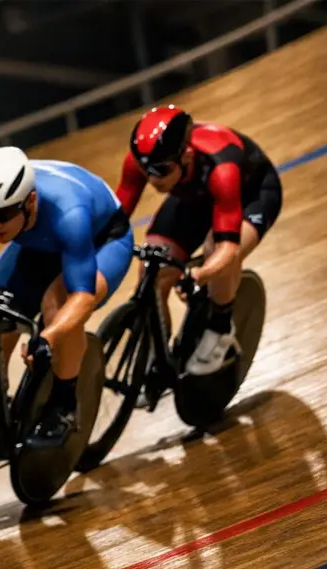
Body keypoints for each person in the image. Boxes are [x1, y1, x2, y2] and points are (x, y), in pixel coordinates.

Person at [0, 146, 134, 447]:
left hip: (101, 240)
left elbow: (82, 297)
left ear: (30, 200)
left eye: (2, 216)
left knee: (56, 307)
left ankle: (65, 404)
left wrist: (48, 337)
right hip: (40, 244)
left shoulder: (70, 214)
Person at [114, 104, 283, 375]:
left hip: (252, 194)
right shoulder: (145, 161)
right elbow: (115, 220)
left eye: (160, 170)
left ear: (187, 156)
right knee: (152, 268)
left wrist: (201, 274)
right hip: (195, 197)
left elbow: (228, 249)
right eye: (146, 171)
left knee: (215, 251)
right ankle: (157, 353)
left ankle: (221, 326)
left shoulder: (221, 168)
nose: (152, 179)